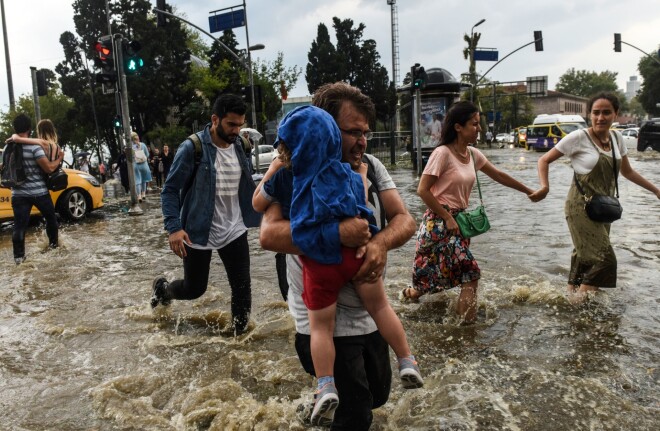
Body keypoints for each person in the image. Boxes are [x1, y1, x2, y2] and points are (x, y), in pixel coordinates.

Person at [258, 82, 417, 430]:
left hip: (370, 308)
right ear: (325, 128)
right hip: (323, 318)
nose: (361, 141)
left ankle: (315, 410)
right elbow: (268, 234)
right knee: (356, 413)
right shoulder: (291, 166)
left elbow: (406, 220)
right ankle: (326, 397)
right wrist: (336, 234)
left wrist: (379, 244)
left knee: (378, 395)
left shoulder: (370, 166)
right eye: (352, 132)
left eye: (366, 133)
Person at [405, 101, 536, 323]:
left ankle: (411, 294)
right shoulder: (442, 154)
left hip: (460, 224)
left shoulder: (473, 154)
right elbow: (423, 190)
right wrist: (447, 217)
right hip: (439, 224)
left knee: (438, 273)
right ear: (458, 127)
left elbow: (499, 175)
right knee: (470, 275)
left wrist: (529, 191)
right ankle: (466, 332)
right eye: (474, 124)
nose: (479, 128)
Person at [530, 92, 660, 304]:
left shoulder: (617, 139)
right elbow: (543, 160)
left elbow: (628, 172)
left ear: (615, 114)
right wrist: (545, 186)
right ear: (589, 114)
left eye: (606, 112)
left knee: (585, 255)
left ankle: (570, 300)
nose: (601, 118)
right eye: (596, 113)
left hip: (604, 208)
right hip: (580, 207)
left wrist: (656, 190)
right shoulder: (578, 138)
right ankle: (580, 307)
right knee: (605, 260)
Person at [152, 94, 261, 335]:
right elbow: (169, 190)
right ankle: (163, 290)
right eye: (231, 124)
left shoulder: (241, 146)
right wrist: (174, 228)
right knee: (194, 289)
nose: (236, 130)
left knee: (242, 287)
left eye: (240, 124)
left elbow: (246, 184)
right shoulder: (193, 148)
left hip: (234, 228)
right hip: (198, 229)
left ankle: (238, 340)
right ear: (215, 119)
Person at [7, 115, 64, 264]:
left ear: (15, 129)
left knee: (19, 227)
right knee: (51, 220)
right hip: (39, 193)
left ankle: (19, 259)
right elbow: (50, 168)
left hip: (18, 195)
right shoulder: (35, 148)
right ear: (29, 129)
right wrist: (59, 158)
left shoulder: (9, 146)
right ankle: (54, 249)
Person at [130, 131, 151, 202]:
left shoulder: (131, 147)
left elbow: (130, 158)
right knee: (144, 180)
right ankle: (143, 194)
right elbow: (147, 155)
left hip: (135, 165)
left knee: (137, 181)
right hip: (144, 165)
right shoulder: (143, 145)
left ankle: (139, 196)